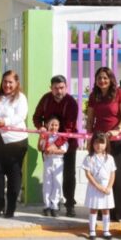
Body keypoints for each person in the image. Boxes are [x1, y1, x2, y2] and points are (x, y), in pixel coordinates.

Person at [84, 66, 121, 222]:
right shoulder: (94, 96)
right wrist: (89, 140)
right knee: (100, 176)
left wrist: (118, 130)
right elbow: (90, 120)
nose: (102, 81)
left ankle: (118, 214)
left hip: (118, 141)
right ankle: (100, 211)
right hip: (100, 143)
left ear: (111, 79)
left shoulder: (120, 93)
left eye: (105, 78)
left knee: (117, 177)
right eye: (99, 78)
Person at [32, 76, 80, 216]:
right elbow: (36, 117)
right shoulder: (46, 99)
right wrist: (41, 128)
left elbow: (70, 129)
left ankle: (69, 204)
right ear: (51, 88)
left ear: (66, 87)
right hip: (48, 144)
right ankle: (51, 204)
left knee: (68, 175)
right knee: (50, 177)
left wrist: (57, 147)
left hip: (68, 145)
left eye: (61, 88)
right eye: (56, 88)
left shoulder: (71, 103)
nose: (59, 91)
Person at [0, 70, 29, 218]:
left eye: (11, 82)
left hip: (15, 142)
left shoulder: (21, 98)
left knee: (14, 176)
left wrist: (3, 122)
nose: (7, 85)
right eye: (5, 81)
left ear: (16, 83)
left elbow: (20, 116)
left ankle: (10, 208)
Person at [82, 133, 116, 240]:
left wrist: (109, 187)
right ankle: (92, 231)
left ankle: (106, 230)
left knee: (106, 209)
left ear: (106, 144)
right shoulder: (89, 158)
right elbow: (88, 174)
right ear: (92, 144)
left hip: (106, 187)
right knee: (94, 208)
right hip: (94, 186)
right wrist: (97, 186)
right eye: (96, 143)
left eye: (102, 143)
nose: (99, 145)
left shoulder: (109, 158)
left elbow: (112, 173)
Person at [39, 115, 68, 217]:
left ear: (59, 126)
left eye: (56, 125)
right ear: (47, 125)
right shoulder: (46, 135)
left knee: (57, 183)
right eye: (52, 124)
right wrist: (41, 137)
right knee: (47, 183)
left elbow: (63, 150)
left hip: (58, 162)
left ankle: (54, 205)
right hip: (48, 161)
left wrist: (53, 150)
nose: (54, 127)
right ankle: (46, 206)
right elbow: (40, 147)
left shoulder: (61, 137)